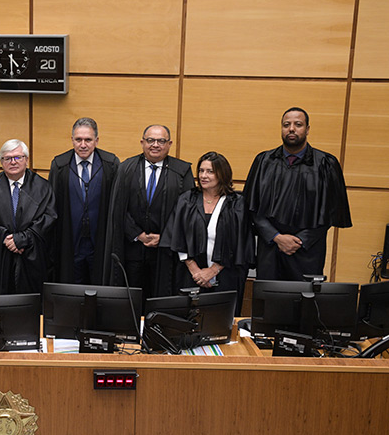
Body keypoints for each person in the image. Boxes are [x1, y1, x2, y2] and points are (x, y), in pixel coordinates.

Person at [243, 107, 352, 281]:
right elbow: (251, 207)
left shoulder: (325, 164)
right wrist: (276, 237)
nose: (291, 129)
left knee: (303, 304)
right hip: (270, 249)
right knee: (268, 304)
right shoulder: (263, 161)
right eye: (286, 124)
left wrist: (299, 241)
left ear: (307, 129)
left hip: (307, 251)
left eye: (298, 124)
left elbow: (330, 213)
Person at [106, 125, 194, 298]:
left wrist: (165, 237)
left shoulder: (182, 172)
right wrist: (137, 234)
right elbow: (118, 208)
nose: (155, 145)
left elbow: (187, 213)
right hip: (133, 249)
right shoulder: (125, 168)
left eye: (161, 141)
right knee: (131, 299)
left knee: (160, 298)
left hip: (166, 252)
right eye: (150, 140)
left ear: (169, 144)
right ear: (142, 142)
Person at [161, 152, 254, 315]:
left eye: (210, 171)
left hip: (226, 276)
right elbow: (177, 235)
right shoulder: (187, 199)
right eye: (201, 171)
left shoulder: (236, 203)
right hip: (190, 275)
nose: (203, 176)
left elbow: (241, 241)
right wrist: (195, 270)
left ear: (222, 173)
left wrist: (213, 271)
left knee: (219, 322)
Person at [0, 139, 57, 294]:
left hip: (32, 256)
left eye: (18, 157)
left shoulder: (43, 187)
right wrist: (7, 239)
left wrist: (23, 239)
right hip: (1, 256)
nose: (13, 162)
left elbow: (49, 217)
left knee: (31, 306)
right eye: (7, 158)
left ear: (26, 160)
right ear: (1, 162)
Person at [48, 118, 119, 285]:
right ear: (72, 140)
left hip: (100, 241)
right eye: (78, 139)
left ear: (97, 141)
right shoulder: (60, 165)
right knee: (72, 289)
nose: (83, 144)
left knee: (99, 288)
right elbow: (51, 205)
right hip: (70, 242)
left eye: (88, 140)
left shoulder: (111, 164)